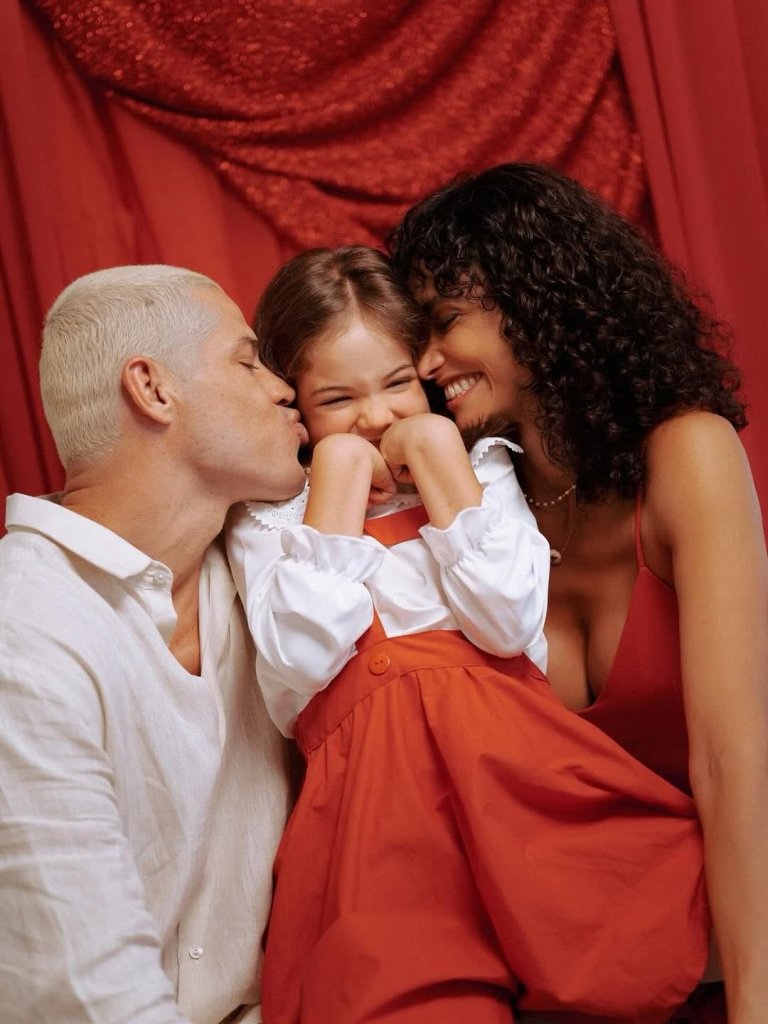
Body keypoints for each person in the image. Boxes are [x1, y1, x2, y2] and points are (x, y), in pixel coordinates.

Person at [227, 246, 713, 1024]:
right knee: (408, 992)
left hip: (517, 781)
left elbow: (507, 623)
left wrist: (438, 458)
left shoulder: (481, 471)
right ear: (296, 406)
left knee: (621, 949)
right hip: (381, 824)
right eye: (337, 400)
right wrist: (340, 480)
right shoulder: (271, 518)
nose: (376, 418)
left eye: (396, 385)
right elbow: (298, 666)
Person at [389, 162, 768, 1024]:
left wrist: (754, 1001)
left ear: (539, 302)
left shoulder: (687, 455)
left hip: (734, 951)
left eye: (446, 322)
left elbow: (732, 757)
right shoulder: (477, 514)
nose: (426, 362)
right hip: (588, 970)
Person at [0, 265, 309, 1023]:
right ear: (153, 389)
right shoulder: (24, 632)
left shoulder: (281, 583)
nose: (284, 389)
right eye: (247, 362)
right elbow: (85, 996)